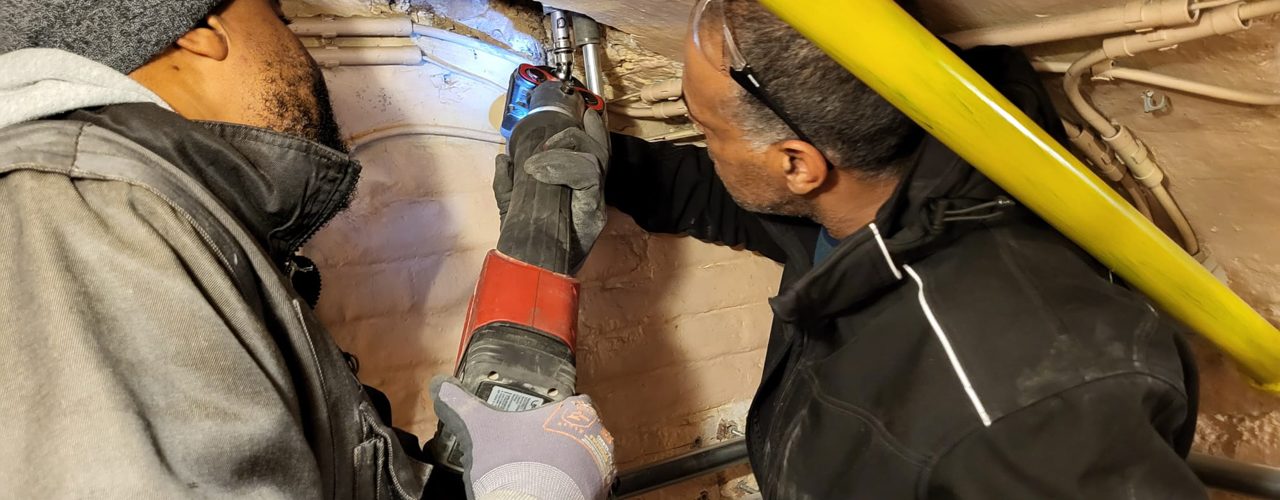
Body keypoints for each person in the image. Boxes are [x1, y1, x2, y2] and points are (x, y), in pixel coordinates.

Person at [0, 1, 613, 499]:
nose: (300, 49)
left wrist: (538, 249)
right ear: (202, 32)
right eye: (280, 19)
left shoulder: (151, 221)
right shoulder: (78, 209)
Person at [595, 0, 1206, 497]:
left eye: (707, 131)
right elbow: (736, 200)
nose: (703, 143)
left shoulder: (1028, 406)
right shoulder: (874, 194)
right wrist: (597, 158)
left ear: (798, 164)